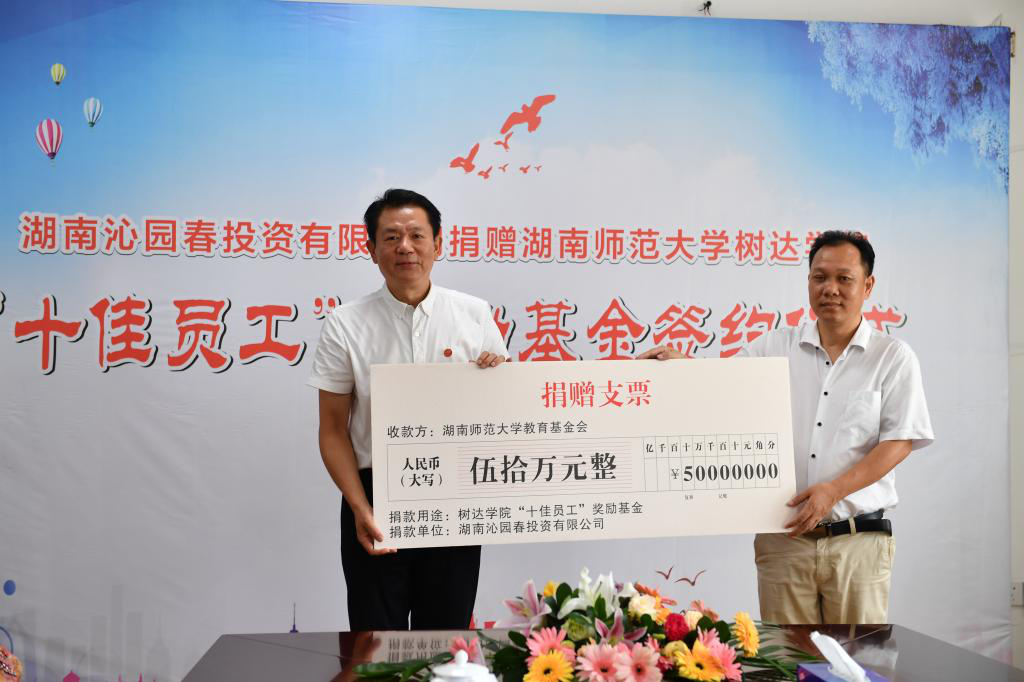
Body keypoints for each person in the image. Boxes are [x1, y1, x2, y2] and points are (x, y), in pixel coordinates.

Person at [640, 230, 933, 624]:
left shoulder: (892, 357)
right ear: (808, 281)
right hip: (785, 542)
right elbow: (721, 386)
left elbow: (899, 442)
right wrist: (679, 368)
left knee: (857, 656)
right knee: (786, 657)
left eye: (844, 279)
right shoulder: (775, 347)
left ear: (868, 286)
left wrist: (833, 491)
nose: (830, 289)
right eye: (819, 277)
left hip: (858, 543)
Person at [307, 188, 508, 630]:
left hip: (457, 495)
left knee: (446, 640)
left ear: (438, 243)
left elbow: (507, 413)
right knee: (376, 643)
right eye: (391, 237)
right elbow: (332, 429)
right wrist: (359, 507)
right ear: (371, 249)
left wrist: (497, 380)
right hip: (376, 500)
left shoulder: (474, 315)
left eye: (417, 235)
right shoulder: (345, 323)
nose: (405, 247)